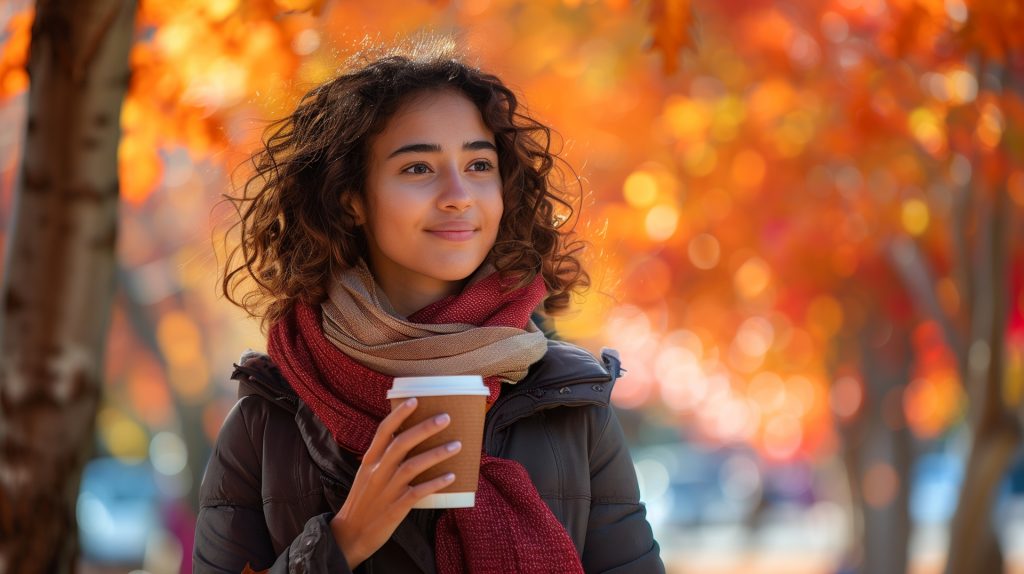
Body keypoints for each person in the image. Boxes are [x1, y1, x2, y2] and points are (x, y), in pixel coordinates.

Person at [193, 39, 665, 574]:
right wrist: (344, 540)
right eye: (418, 168)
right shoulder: (268, 418)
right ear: (351, 199)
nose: (459, 194)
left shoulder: (572, 405)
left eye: (479, 164)